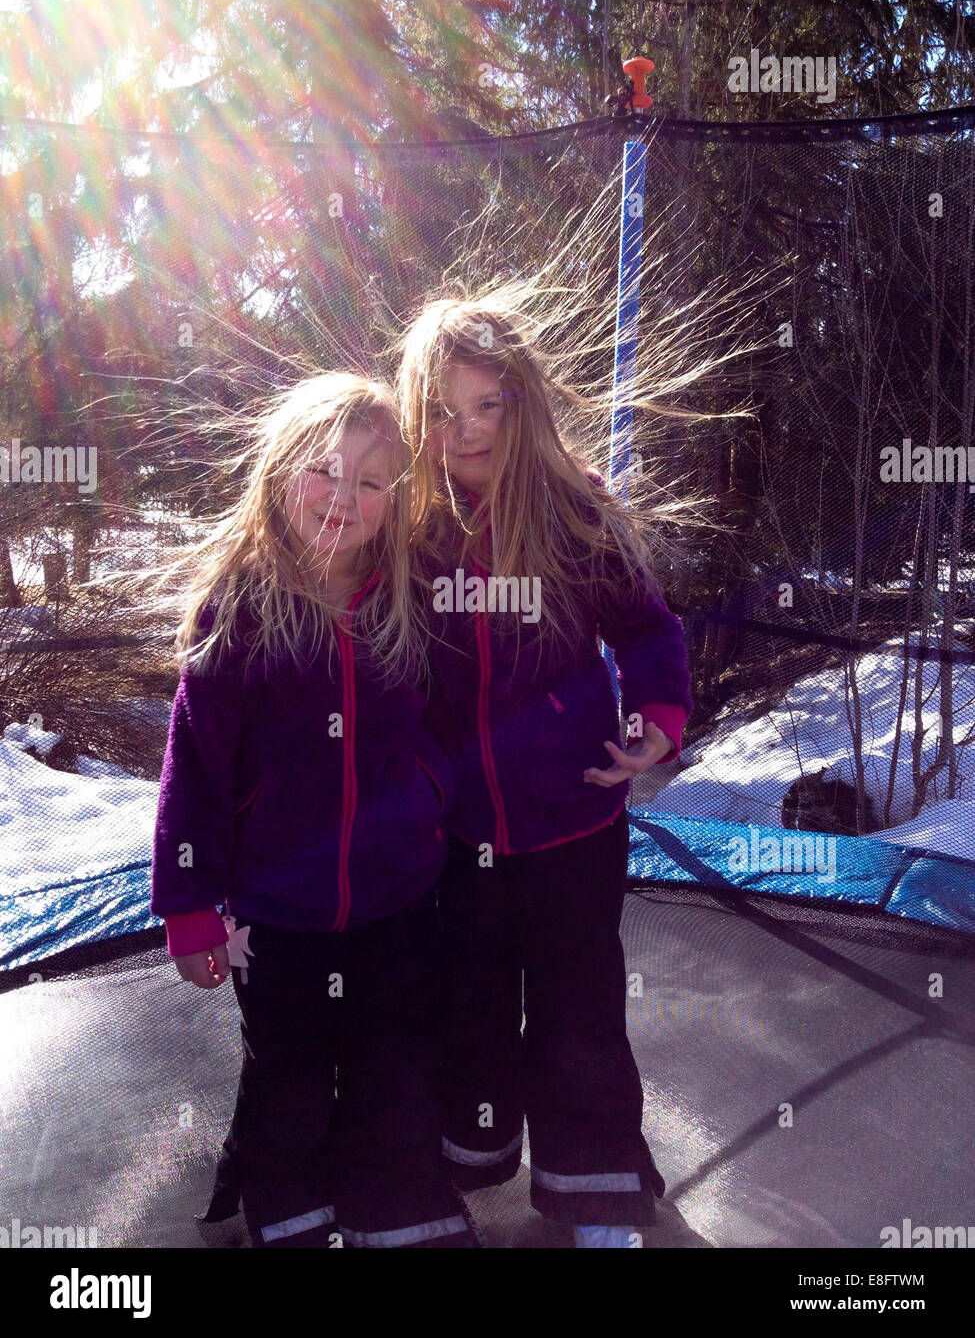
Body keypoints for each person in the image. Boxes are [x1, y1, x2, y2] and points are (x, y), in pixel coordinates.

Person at [150, 371, 476, 1249]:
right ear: (282, 471)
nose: (346, 497)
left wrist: (439, 807)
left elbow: (466, 695)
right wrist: (189, 905)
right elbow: (196, 772)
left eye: (373, 484)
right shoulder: (240, 611)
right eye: (327, 472)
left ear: (396, 503)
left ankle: (400, 1208)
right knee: (288, 1072)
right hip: (277, 910)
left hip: (401, 895)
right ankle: (288, 1211)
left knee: (396, 1062)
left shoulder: (414, 598)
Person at [394, 294, 692, 1248]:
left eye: (490, 405)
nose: (468, 428)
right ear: (416, 415)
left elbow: (647, 632)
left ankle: (593, 1184)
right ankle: (476, 1149)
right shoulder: (408, 523)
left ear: (524, 407)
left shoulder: (573, 512)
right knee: (466, 997)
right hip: (456, 831)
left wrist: (652, 723)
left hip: (573, 815)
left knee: (576, 1004)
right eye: (445, 408)